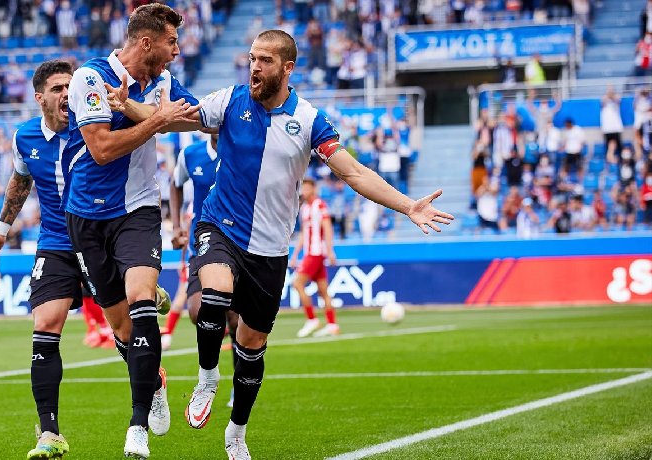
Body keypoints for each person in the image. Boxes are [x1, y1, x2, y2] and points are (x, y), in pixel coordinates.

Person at [105, 29, 453, 459]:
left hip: (269, 249)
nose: (255, 66)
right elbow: (174, 119)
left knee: (251, 347)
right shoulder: (229, 101)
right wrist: (129, 107)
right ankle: (208, 376)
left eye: (265, 60)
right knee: (212, 294)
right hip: (220, 226)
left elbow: (354, 172)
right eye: (252, 58)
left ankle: (236, 433)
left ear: (287, 68)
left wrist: (407, 206)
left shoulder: (308, 120)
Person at [60, 4, 202, 457]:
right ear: (146, 42)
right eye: (171, 42)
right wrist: (156, 119)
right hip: (86, 215)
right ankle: (154, 380)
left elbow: (194, 118)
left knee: (144, 301)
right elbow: (101, 149)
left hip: (138, 210)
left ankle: (137, 423)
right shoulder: (90, 78)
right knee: (122, 329)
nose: (176, 52)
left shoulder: (163, 83)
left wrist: (142, 110)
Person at [0, 60, 82, 458]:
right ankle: (50, 432)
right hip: (55, 241)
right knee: (45, 324)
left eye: (69, 87)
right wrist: (0, 234)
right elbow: (20, 182)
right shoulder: (24, 137)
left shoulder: (93, 126)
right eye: (57, 88)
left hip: (99, 240)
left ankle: (148, 373)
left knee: (126, 332)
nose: (65, 95)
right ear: (40, 97)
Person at [168, 133, 239, 408]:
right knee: (198, 312)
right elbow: (175, 184)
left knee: (235, 320)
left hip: (238, 244)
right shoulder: (190, 155)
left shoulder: (242, 149)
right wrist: (176, 225)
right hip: (202, 243)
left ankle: (236, 383)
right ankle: (210, 372)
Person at [290, 178, 339, 338]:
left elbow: (327, 228)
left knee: (297, 284)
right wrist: (296, 255)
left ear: (313, 189)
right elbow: (304, 233)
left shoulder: (320, 205)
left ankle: (312, 319)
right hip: (309, 252)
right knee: (323, 290)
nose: (304, 191)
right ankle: (332, 324)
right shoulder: (304, 208)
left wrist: (330, 251)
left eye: (307, 188)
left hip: (316, 253)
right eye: (302, 188)